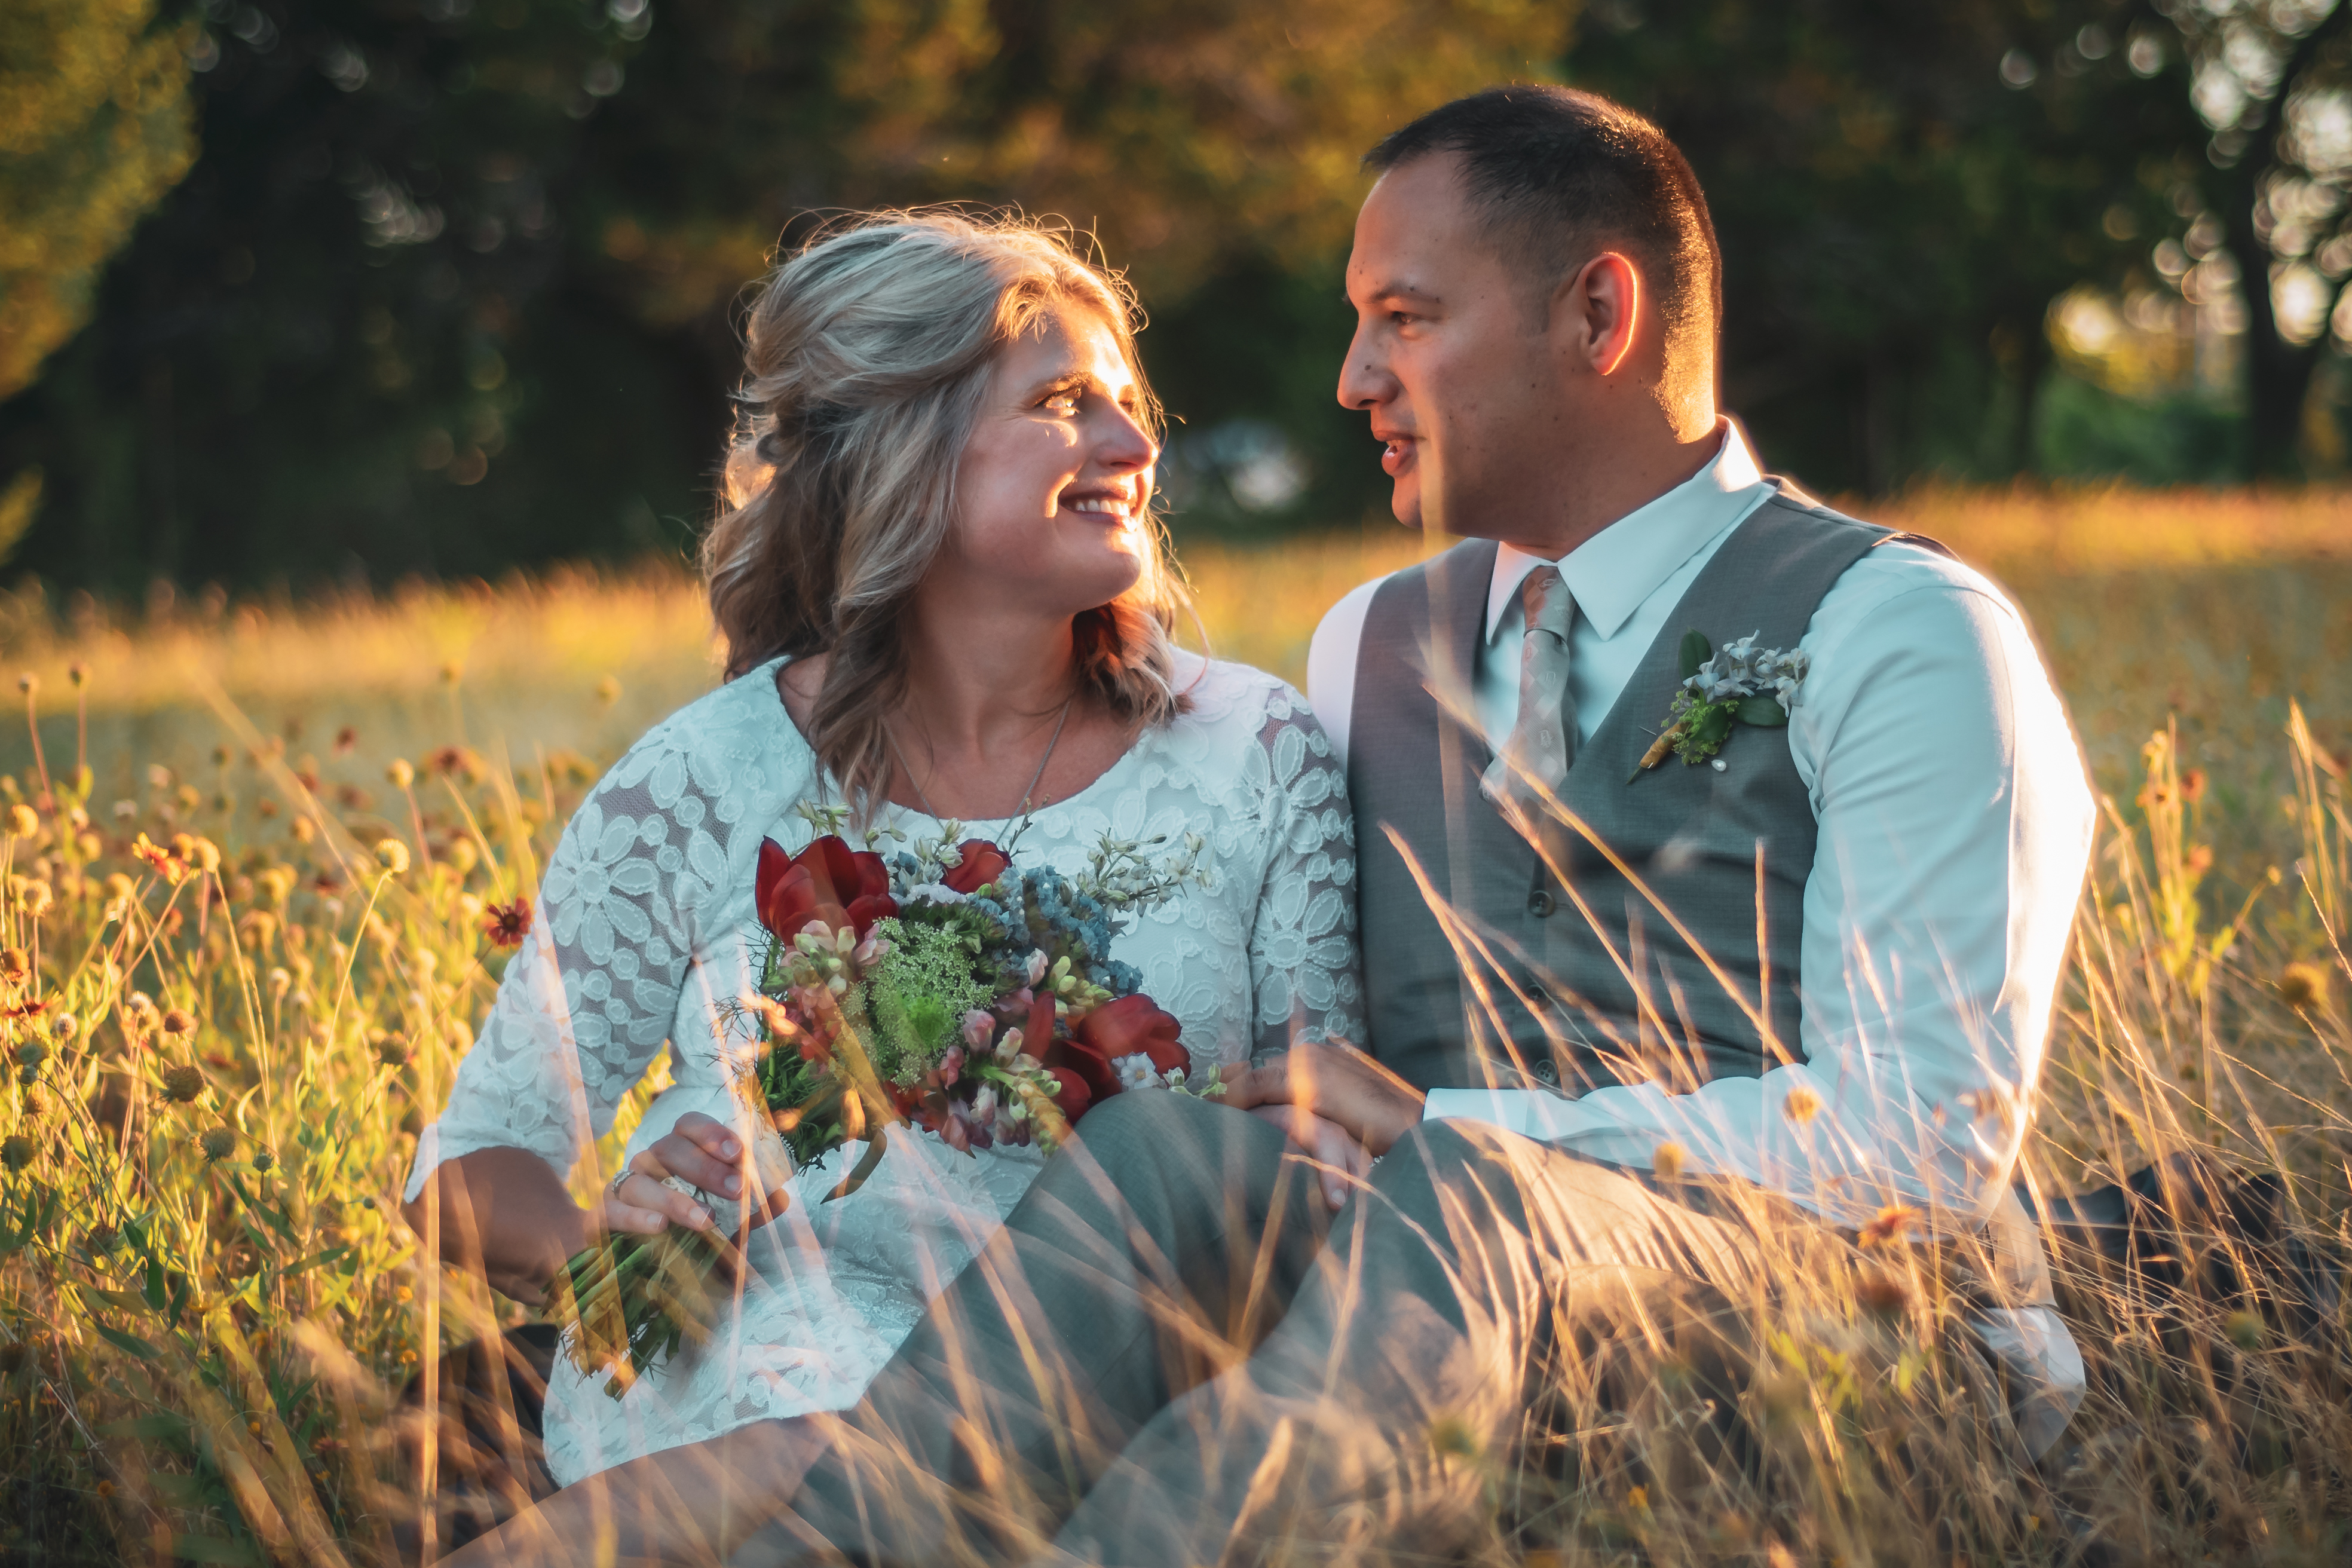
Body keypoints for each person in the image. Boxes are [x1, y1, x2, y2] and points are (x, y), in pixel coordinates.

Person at [715, 84, 2098, 1568]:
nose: (1353, 375)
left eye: (1406, 317)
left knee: (1469, 1199)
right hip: (1423, 1332)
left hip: (1836, 1341)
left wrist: (1464, 1134)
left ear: (1599, 313)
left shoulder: (1899, 629)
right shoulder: (1368, 643)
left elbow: (1927, 1137)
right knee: (1171, 1159)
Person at [409, 211, 1365, 1564]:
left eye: (1129, 407)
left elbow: (1315, 1144)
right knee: (835, 1438)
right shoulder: (701, 778)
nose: (1134, 449)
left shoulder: (1253, 753)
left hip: (1118, 1370)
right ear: (900, 453)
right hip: (763, 1368)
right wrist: (602, 1242)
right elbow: (467, 1163)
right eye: (1061, 404)